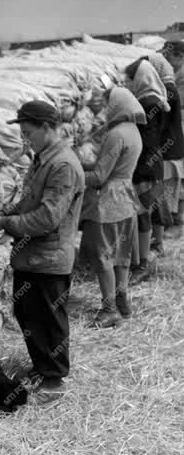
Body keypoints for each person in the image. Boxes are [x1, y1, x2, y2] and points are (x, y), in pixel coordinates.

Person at [0, 101, 84, 401]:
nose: (26, 139)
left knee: (47, 319)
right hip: (31, 257)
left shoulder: (62, 165)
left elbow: (48, 218)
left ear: (47, 128)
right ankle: (42, 367)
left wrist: (6, 222)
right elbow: (31, 203)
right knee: (28, 313)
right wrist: (7, 212)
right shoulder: (43, 159)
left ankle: (53, 382)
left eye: (29, 132)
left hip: (49, 259)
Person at [79, 87, 144, 327]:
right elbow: (109, 166)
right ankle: (122, 301)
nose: (105, 109)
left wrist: (75, 174)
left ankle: (109, 311)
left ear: (117, 105)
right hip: (126, 199)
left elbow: (99, 176)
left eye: (108, 103)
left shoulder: (116, 134)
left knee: (104, 257)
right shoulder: (133, 131)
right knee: (122, 256)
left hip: (109, 203)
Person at [124, 59, 171, 284]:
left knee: (142, 214)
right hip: (151, 163)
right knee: (145, 213)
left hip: (145, 166)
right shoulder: (155, 98)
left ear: (139, 78)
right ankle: (142, 261)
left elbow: (147, 138)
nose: (128, 83)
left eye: (130, 79)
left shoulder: (147, 103)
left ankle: (141, 265)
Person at [148, 51, 184, 244]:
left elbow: (162, 121)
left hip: (170, 146)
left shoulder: (167, 90)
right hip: (173, 143)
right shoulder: (168, 86)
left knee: (170, 185)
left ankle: (173, 224)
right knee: (172, 185)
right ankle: (171, 222)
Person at [161, 40, 184, 231]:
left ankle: (173, 215)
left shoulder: (180, 78)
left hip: (177, 133)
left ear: (179, 57)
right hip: (177, 131)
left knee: (173, 174)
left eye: (168, 57)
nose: (165, 60)